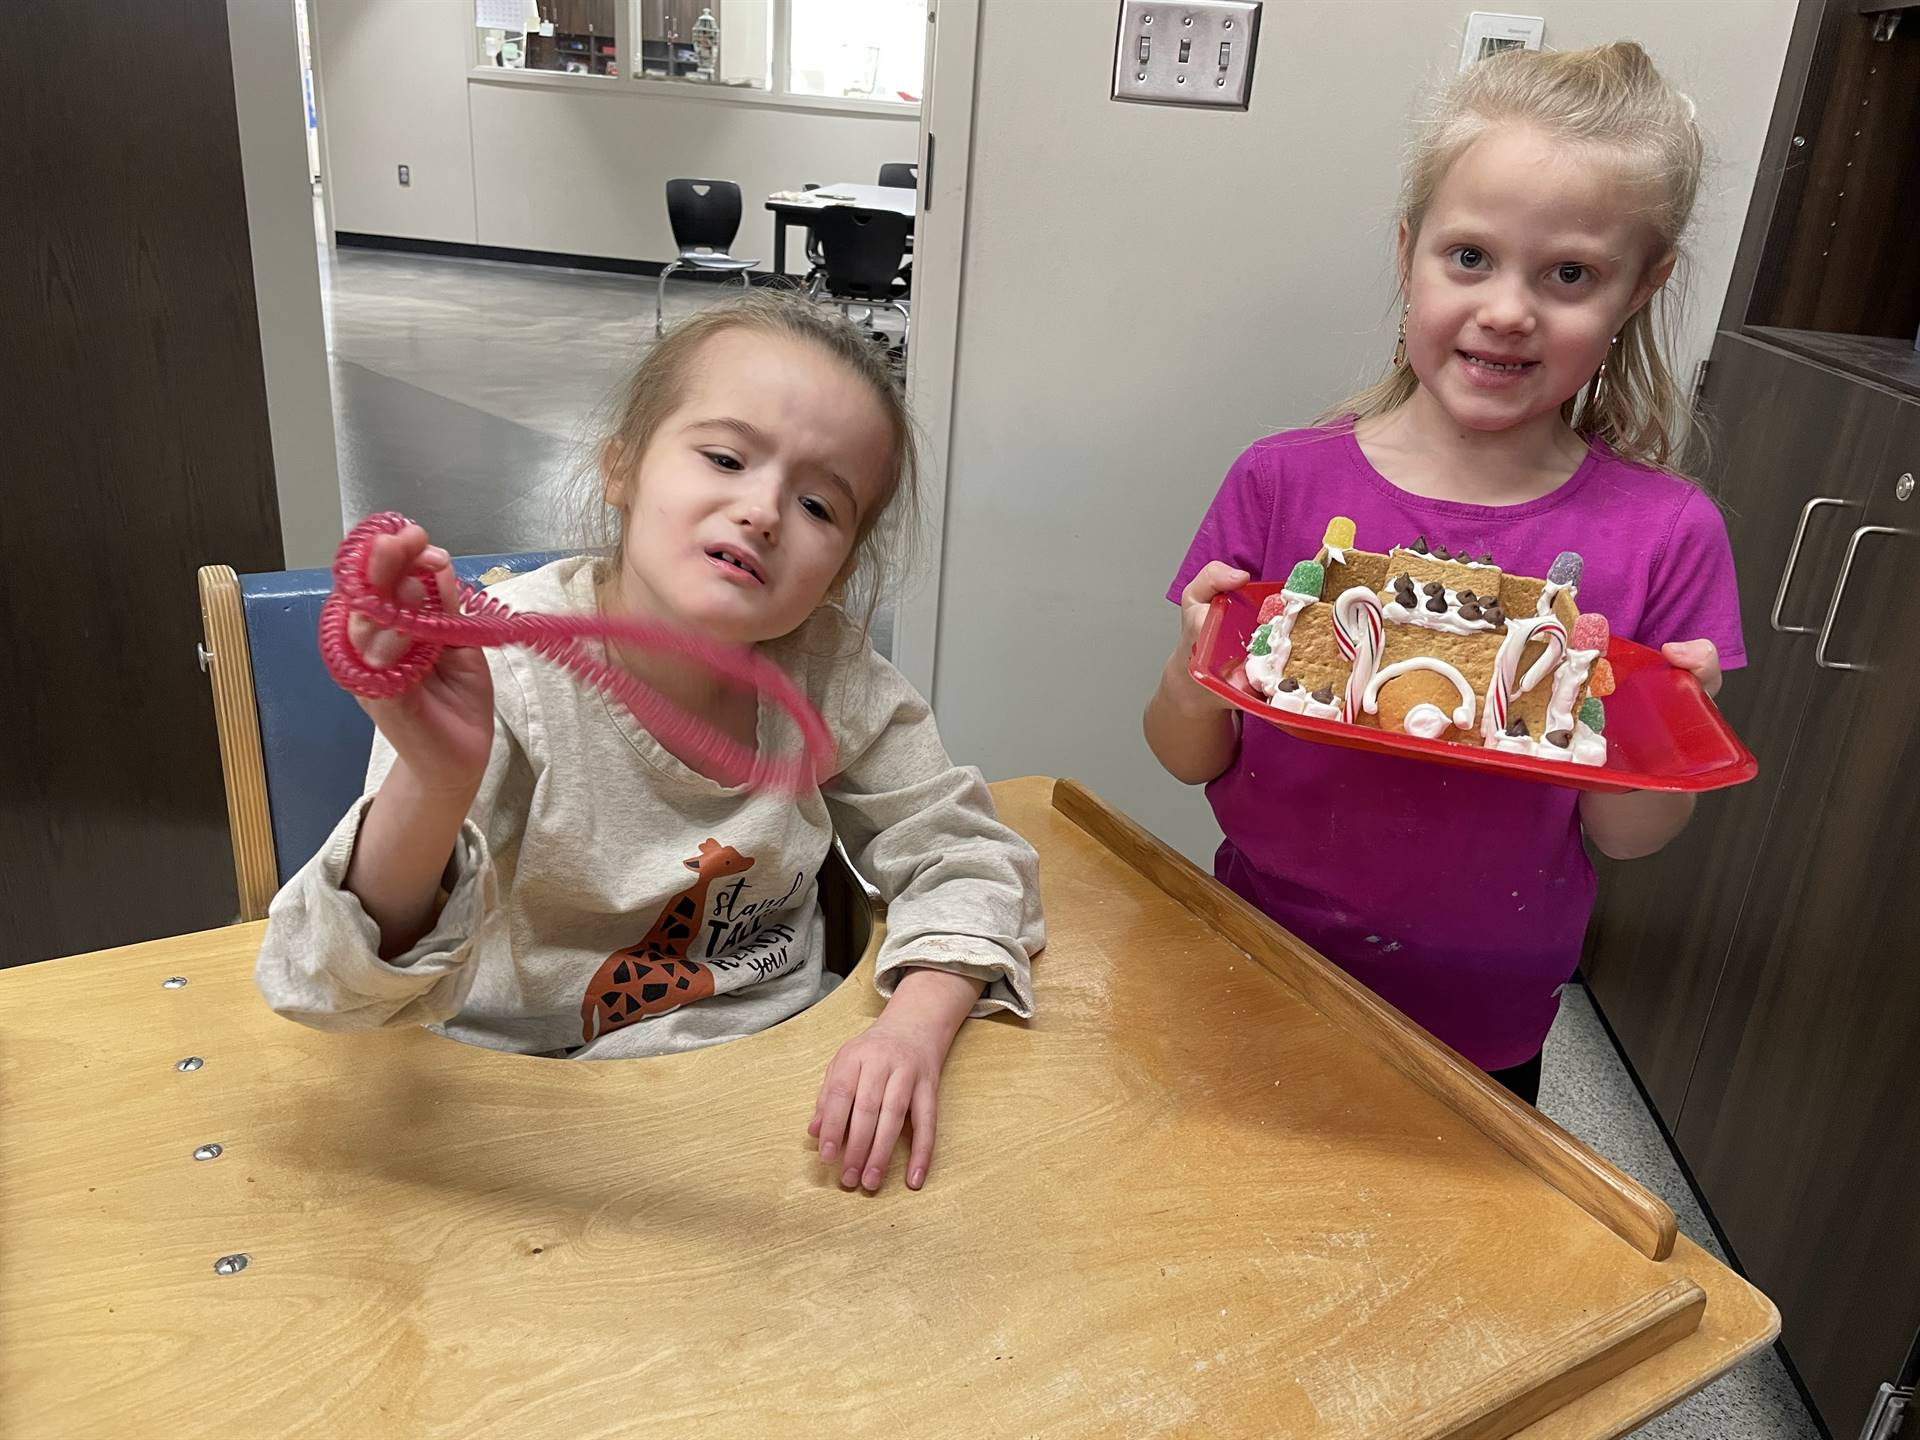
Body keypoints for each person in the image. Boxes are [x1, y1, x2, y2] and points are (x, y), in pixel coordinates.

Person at [260, 292, 1042, 1192]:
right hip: (523, 1119)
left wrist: (916, 1020)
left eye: (822, 506)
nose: (763, 511)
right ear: (621, 468)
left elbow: (969, 856)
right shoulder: (508, 671)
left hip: (772, 1098)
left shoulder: (829, 671)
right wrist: (436, 783)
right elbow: (329, 988)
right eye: (723, 457)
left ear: (842, 570)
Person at [1144, 43, 1743, 1105]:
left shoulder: (1666, 533)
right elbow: (1187, 756)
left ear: (1638, 290)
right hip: (1258, 953)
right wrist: (1195, 669)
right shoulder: (1281, 481)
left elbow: (1629, 837)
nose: (1509, 309)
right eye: (1471, 257)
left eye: (1569, 274)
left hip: (1488, 1009)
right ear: (1409, 252)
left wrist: (1669, 728)